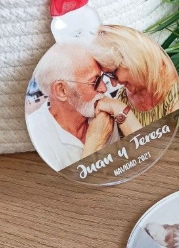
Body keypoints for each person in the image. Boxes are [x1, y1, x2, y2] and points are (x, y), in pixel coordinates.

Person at [26, 43, 142, 171]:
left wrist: (121, 109)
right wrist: (95, 141)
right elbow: (80, 181)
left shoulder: (104, 103)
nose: (103, 88)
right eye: (95, 81)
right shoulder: (40, 137)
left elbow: (145, 150)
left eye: (102, 78)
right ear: (62, 90)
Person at [90, 25, 179, 126]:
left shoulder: (175, 81)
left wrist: (119, 108)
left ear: (130, 59)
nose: (114, 84)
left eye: (113, 74)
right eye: (107, 76)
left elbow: (175, 134)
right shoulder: (122, 97)